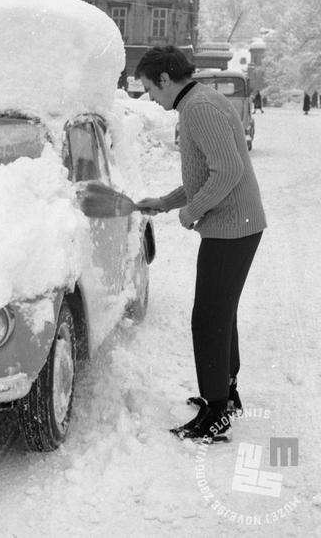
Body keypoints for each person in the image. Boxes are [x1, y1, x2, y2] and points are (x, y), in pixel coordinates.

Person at [134, 46, 266, 443]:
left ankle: (216, 412)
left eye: (149, 88)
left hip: (232, 227)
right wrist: (166, 201)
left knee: (208, 318)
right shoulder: (200, 102)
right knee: (221, 313)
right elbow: (207, 172)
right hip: (236, 224)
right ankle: (226, 393)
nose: (150, 99)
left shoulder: (198, 109)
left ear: (164, 79)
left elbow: (227, 171)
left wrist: (191, 212)